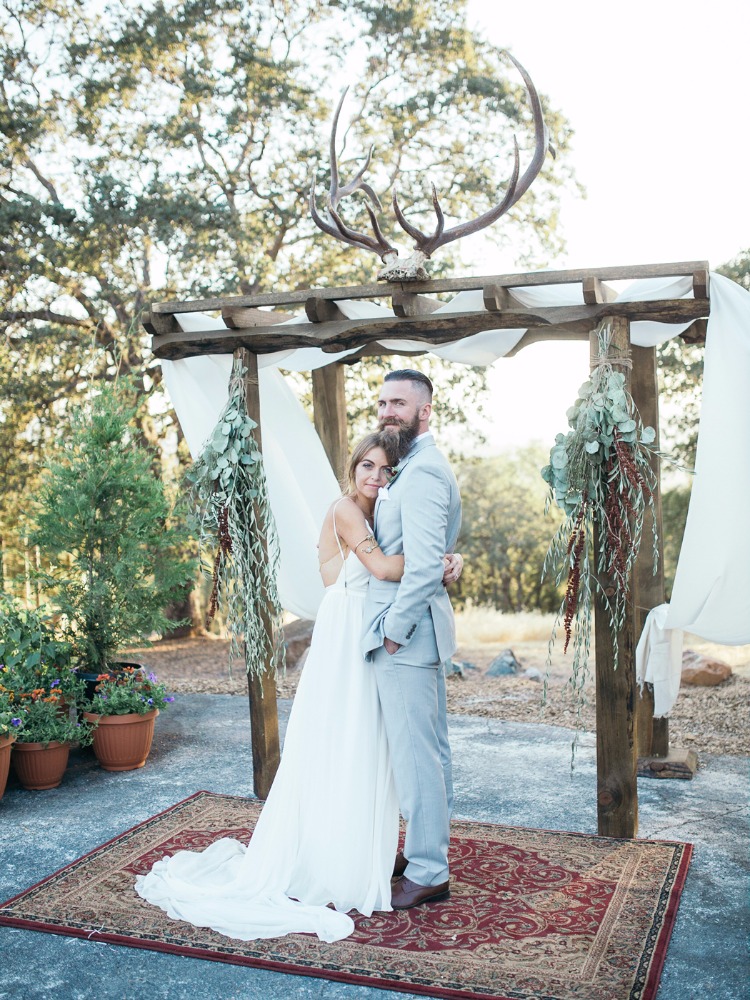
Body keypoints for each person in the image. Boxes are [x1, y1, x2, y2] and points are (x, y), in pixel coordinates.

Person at [135, 431, 462, 943]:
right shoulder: (346, 511)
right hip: (348, 628)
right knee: (342, 737)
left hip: (364, 622)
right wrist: (437, 563)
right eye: (367, 468)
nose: (376, 477)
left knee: (365, 741)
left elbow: (395, 559)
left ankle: (356, 844)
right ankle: (330, 852)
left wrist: (440, 560)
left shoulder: (376, 511)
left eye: (385, 471)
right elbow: (379, 567)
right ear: (350, 470)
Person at [363, 370, 462, 910]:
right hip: (419, 636)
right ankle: (427, 850)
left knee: (417, 755)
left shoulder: (422, 471)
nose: (387, 411)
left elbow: (423, 566)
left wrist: (393, 633)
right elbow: (437, 551)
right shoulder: (411, 466)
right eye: (382, 402)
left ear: (425, 410)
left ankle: (428, 869)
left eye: (398, 403)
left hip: (408, 637)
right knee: (429, 752)